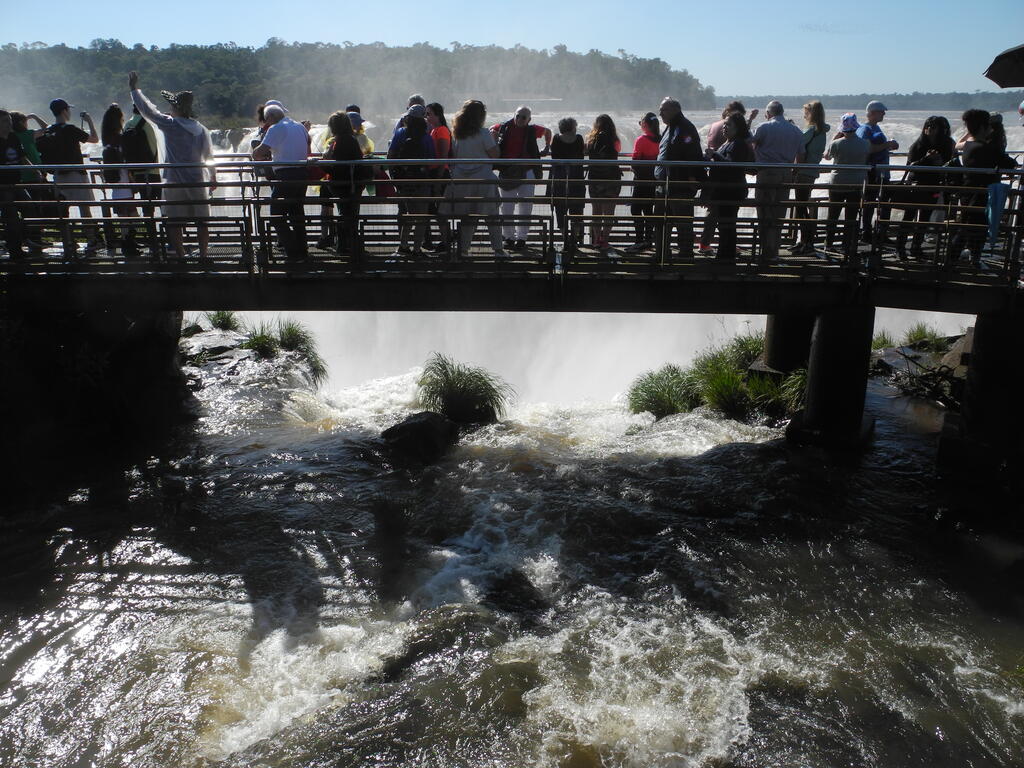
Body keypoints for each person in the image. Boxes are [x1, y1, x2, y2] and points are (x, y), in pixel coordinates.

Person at [129, 70, 217, 260]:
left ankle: (181, 255)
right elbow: (208, 155)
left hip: (174, 181)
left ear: (175, 108)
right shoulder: (201, 129)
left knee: (174, 221)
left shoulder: (170, 124)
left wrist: (134, 89)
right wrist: (213, 176)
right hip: (197, 180)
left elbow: (147, 110)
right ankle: (203, 255)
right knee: (202, 222)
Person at [948, 109, 1017, 267]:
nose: (990, 129)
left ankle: (958, 259)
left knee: (967, 227)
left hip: (969, 192)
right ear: (982, 128)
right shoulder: (985, 148)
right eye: (987, 126)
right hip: (980, 194)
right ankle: (962, 260)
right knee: (973, 228)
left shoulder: (969, 145)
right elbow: (1008, 163)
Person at [440, 99, 505, 258]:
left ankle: (463, 249)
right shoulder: (484, 133)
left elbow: (455, 156)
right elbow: (495, 155)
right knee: (492, 216)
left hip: (462, 179)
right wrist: (495, 140)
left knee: (467, 217)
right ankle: (498, 250)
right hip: (483, 179)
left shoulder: (457, 133)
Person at [36, 97, 101, 255]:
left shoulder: (49, 131)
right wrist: (90, 121)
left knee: (64, 211)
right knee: (84, 209)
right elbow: (94, 139)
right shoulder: (70, 129)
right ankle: (92, 240)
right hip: (76, 175)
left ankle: (69, 241)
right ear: (64, 111)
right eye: (68, 110)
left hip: (58, 176)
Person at [252, 102, 311, 261]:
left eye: (267, 120)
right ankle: (302, 250)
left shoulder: (276, 128)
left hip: (286, 176)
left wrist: (255, 152)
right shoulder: (300, 127)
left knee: (276, 215)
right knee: (297, 214)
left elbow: (259, 153)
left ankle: (292, 251)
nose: (267, 123)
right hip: (302, 174)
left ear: (271, 117)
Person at [750, 101, 805, 262]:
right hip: (786, 173)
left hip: (766, 172)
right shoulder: (796, 130)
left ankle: (765, 251)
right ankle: (774, 252)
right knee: (779, 215)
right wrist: (794, 172)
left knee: (764, 213)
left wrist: (750, 120)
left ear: (768, 113)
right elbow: (801, 155)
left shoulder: (764, 127)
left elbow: (749, 141)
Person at [491, 106, 552, 250]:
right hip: (507, 171)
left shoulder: (532, 129)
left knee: (526, 206)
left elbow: (548, 131)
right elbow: (490, 130)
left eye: (523, 117)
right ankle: (509, 237)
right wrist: (493, 136)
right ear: (514, 115)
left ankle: (521, 238)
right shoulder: (503, 127)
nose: (519, 119)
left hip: (527, 171)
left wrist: (547, 147)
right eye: (517, 116)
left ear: (529, 119)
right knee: (507, 207)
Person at [895, 115, 956, 259]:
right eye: (931, 128)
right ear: (926, 129)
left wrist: (941, 162)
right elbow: (911, 167)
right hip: (916, 185)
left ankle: (916, 247)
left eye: (940, 129)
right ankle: (900, 248)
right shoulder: (918, 145)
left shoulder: (947, 144)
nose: (935, 131)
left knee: (924, 219)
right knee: (909, 217)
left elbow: (948, 164)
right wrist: (927, 159)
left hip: (933, 186)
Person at [699, 102, 756, 254]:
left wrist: (714, 155)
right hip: (724, 190)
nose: (724, 127)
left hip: (731, 191)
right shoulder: (729, 142)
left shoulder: (738, 144)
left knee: (727, 225)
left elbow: (732, 165)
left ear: (737, 128)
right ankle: (724, 253)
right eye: (724, 124)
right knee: (724, 224)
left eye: (728, 125)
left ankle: (726, 255)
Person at [654, 97, 704, 261]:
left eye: (664, 110)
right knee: (661, 222)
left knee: (683, 223)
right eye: (660, 110)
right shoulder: (670, 127)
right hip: (664, 185)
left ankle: (685, 256)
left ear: (676, 110)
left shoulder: (686, 127)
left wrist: (691, 177)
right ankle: (662, 254)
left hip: (679, 184)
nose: (661, 113)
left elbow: (693, 154)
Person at [321, 110, 369, 261]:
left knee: (346, 214)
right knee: (350, 214)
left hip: (345, 185)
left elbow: (338, 168)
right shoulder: (350, 139)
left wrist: (323, 164)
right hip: (353, 184)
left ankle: (345, 247)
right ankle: (352, 246)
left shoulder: (340, 141)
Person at [387, 114, 436, 256]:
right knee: (422, 216)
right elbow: (432, 159)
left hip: (404, 181)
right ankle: (417, 249)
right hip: (421, 181)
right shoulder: (426, 137)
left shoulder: (400, 132)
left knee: (409, 214)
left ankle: (403, 246)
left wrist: (395, 177)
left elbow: (391, 154)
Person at [824, 113, 869, 261]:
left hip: (837, 182)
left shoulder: (837, 143)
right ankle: (847, 244)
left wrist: (834, 138)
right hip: (856, 182)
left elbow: (827, 156)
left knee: (833, 214)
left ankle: (828, 244)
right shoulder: (865, 144)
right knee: (851, 215)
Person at [121, 104, 162, 257]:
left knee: (146, 210)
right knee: (163, 207)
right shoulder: (151, 125)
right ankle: (167, 242)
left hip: (137, 173)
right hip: (154, 172)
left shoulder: (128, 125)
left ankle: (150, 242)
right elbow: (158, 148)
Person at [99, 104, 141, 257]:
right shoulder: (119, 139)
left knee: (125, 217)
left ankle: (127, 242)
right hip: (123, 183)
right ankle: (128, 244)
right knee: (132, 216)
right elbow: (126, 160)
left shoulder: (107, 139)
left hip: (117, 185)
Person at [856, 100, 899, 243]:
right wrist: (887, 144)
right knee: (870, 203)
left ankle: (881, 232)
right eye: (882, 112)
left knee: (884, 202)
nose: (884, 114)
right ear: (872, 113)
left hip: (882, 171)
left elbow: (877, 147)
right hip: (873, 172)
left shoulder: (875, 127)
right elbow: (867, 149)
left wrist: (889, 146)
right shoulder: (865, 129)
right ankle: (867, 232)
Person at [791, 100, 829, 255]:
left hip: (803, 171)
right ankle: (804, 241)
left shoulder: (811, 130)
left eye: (806, 112)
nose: (804, 115)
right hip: (812, 171)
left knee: (801, 207)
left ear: (811, 114)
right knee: (803, 206)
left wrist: (793, 128)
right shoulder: (822, 131)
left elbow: (798, 144)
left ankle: (807, 243)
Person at [0, 109, 37, 260]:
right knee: (11, 216)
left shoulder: (13, 137)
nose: (9, 124)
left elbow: (22, 157)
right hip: (3, 185)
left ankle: (27, 238)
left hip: (16, 182)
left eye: (9, 121)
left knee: (29, 207)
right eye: (4, 121)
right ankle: (15, 249)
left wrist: (35, 170)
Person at [549, 117, 585, 258]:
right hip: (576, 178)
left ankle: (566, 240)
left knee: (560, 210)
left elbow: (554, 157)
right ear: (573, 127)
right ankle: (574, 241)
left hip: (559, 179)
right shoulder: (579, 138)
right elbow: (581, 154)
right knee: (576, 211)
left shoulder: (556, 139)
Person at [585, 114, 622, 252]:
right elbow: (618, 150)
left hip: (595, 179)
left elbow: (585, 150)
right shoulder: (615, 140)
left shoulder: (591, 139)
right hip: (611, 179)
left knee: (596, 211)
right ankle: (605, 241)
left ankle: (596, 240)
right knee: (609, 213)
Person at [627, 112, 660, 252]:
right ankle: (648, 240)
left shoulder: (641, 140)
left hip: (641, 180)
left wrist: (633, 168)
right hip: (655, 180)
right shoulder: (661, 139)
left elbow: (635, 161)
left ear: (645, 125)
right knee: (648, 210)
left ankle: (639, 240)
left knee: (635, 209)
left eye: (641, 123)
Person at [424, 102, 453, 253]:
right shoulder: (435, 130)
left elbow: (443, 156)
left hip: (439, 174)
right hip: (435, 173)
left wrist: (438, 180)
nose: (427, 117)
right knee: (437, 210)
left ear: (437, 115)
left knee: (441, 210)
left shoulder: (441, 130)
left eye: (429, 114)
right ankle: (445, 239)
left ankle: (446, 241)